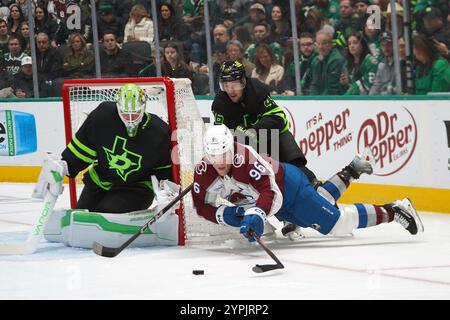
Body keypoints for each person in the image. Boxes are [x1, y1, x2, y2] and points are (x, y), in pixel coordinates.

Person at [212, 60, 372, 239]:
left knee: (306, 180)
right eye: (226, 85)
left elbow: (280, 118)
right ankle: (290, 219)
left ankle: (342, 188)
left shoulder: (257, 91)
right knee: (268, 185)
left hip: (277, 137)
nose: (231, 90)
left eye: (235, 84)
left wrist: (253, 131)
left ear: (244, 82)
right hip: (253, 149)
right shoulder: (220, 104)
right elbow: (220, 133)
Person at [192, 125, 424, 243]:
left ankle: (394, 210)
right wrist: (226, 215)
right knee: (322, 201)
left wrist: (256, 215)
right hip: (281, 196)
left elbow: (270, 192)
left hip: (289, 190)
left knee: (338, 225)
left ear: (231, 148)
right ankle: (351, 170)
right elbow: (201, 205)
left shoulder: (247, 160)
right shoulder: (204, 171)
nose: (219, 162)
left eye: (223, 155)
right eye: (213, 157)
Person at [42, 83, 173, 213]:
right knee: (82, 216)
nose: (131, 119)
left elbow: (164, 169)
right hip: (99, 182)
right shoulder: (102, 117)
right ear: (118, 107)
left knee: (106, 213)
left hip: (136, 188)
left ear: (143, 107)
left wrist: (166, 191)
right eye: (126, 114)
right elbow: (82, 149)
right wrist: (64, 166)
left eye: (136, 113)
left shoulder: (158, 131)